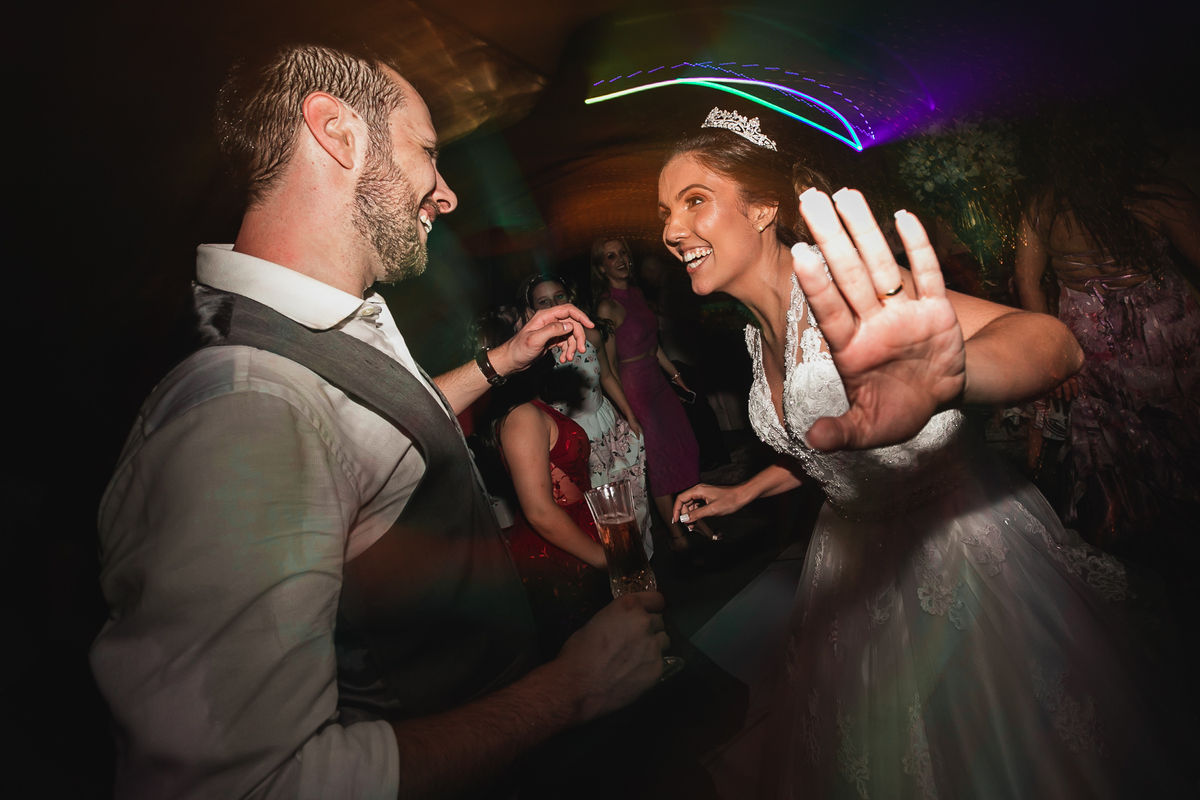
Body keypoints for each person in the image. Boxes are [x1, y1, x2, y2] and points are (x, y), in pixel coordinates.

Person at [90, 43, 669, 800]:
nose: (447, 193)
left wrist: (504, 361)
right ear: (338, 132)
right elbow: (249, 784)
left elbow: (365, 425)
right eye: (428, 153)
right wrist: (571, 692)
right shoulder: (247, 408)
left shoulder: (307, 333)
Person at [666, 108, 1184, 798]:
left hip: (960, 556)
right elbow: (828, 447)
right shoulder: (754, 335)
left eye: (694, 201)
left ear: (762, 208)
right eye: (665, 211)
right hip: (850, 559)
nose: (671, 231)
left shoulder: (850, 298)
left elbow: (1054, 342)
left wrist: (958, 377)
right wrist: (746, 491)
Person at [1013, 112, 1200, 566]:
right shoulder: (1160, 197)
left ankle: (1132, 557)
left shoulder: (1044, 206)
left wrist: (1053, 356)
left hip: (1090, 347)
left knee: (1111, 451)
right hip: (1166, 348)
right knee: (1181, 439)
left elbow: (1028, 285)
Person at [471, 309, 611, 658]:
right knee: (593, 664)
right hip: (558, 554)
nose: (542, 330)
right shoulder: (522, 416)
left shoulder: (533, 404)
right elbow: (539, 511)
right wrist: (611, 561)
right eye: (526, 327)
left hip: (577, 531)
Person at [592, 238, 718, 550]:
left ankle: (692, 516)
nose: (620, 260)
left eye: (623, 252)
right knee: (660, 463)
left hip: (658, 382)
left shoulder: (636, 294)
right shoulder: (607, 306)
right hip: (636, 388)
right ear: (601, 267)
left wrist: (676, 378)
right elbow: (608, 367)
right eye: (611, 256)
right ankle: (677, 536)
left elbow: (654, 344)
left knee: (685, 449)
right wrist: (628, 413)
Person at [517, 273, 654, 557]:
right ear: (531, 311)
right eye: (543, 302)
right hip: (574, 444)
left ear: (570, 299)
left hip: (609, 429)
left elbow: (607, 376)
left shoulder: (590, 335)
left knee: (631, 507)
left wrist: (630, 416)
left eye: (559, 296)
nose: (554, 304)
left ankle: (639, 569)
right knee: (598, 521)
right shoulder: (532, 355)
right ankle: (614, 573)